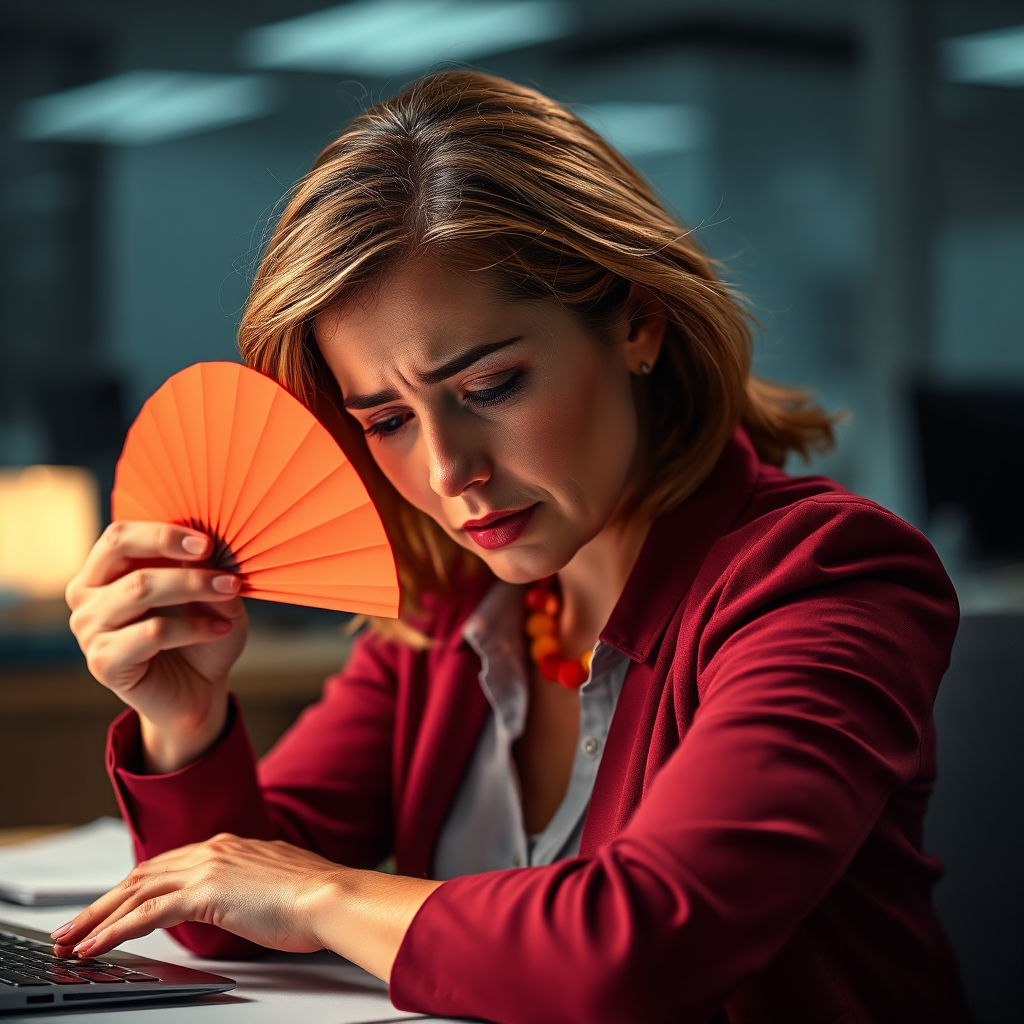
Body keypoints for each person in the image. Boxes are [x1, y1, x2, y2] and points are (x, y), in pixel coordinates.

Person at [59, 71, 970, 1023]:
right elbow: (228, 906)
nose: (449, 471)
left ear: (638, 323)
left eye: (490, 386)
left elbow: (639, 947)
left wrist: (321, 894)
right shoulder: (459, 608)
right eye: (386, 420)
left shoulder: (828, 579)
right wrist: (188, 715)